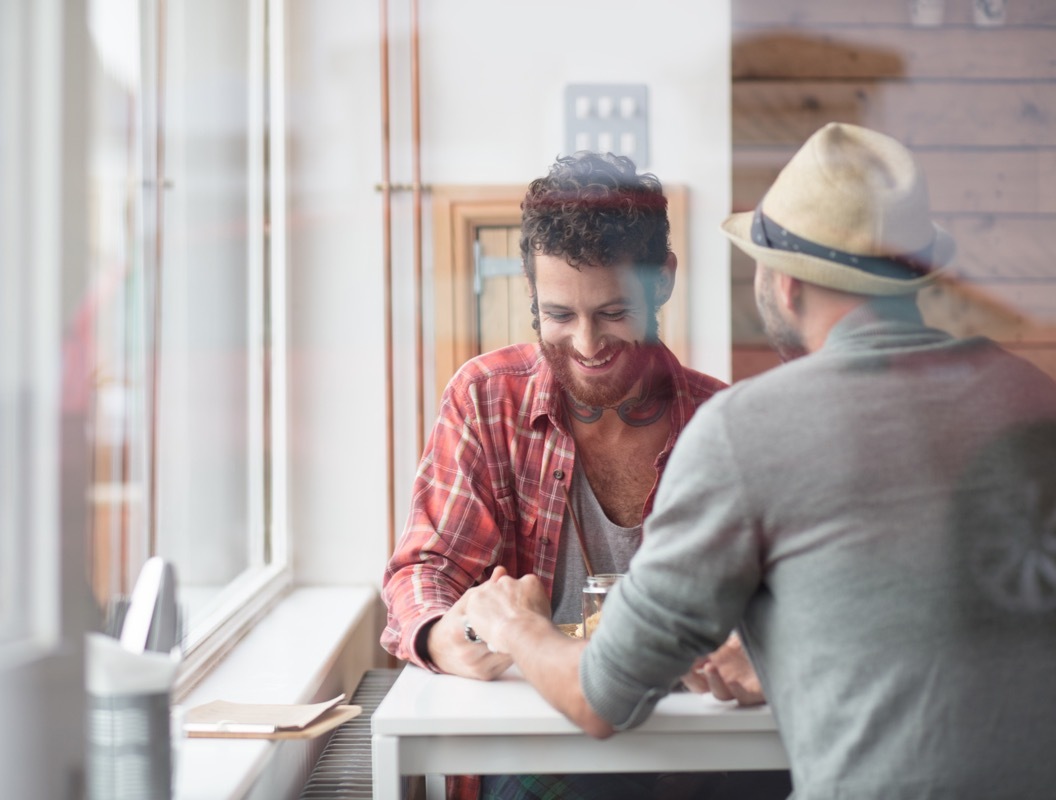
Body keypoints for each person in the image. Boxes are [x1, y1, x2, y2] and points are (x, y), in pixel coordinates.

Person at [463, 122, 1056, 799]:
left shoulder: (746, 430)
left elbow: (601, 699)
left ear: (787, 286)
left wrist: (519, 625)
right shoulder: (1032, 399)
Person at [382, 151, 790, 799]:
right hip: (535, 745)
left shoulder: (722, 423)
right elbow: (424, 570)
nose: (588, 347)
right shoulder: (486, 398)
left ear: (663, 283)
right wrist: (440, 634)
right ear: (531, 295)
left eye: (613, 312)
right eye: (560, 316)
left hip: (695, 748)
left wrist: (763, 644)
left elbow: (782, 595)